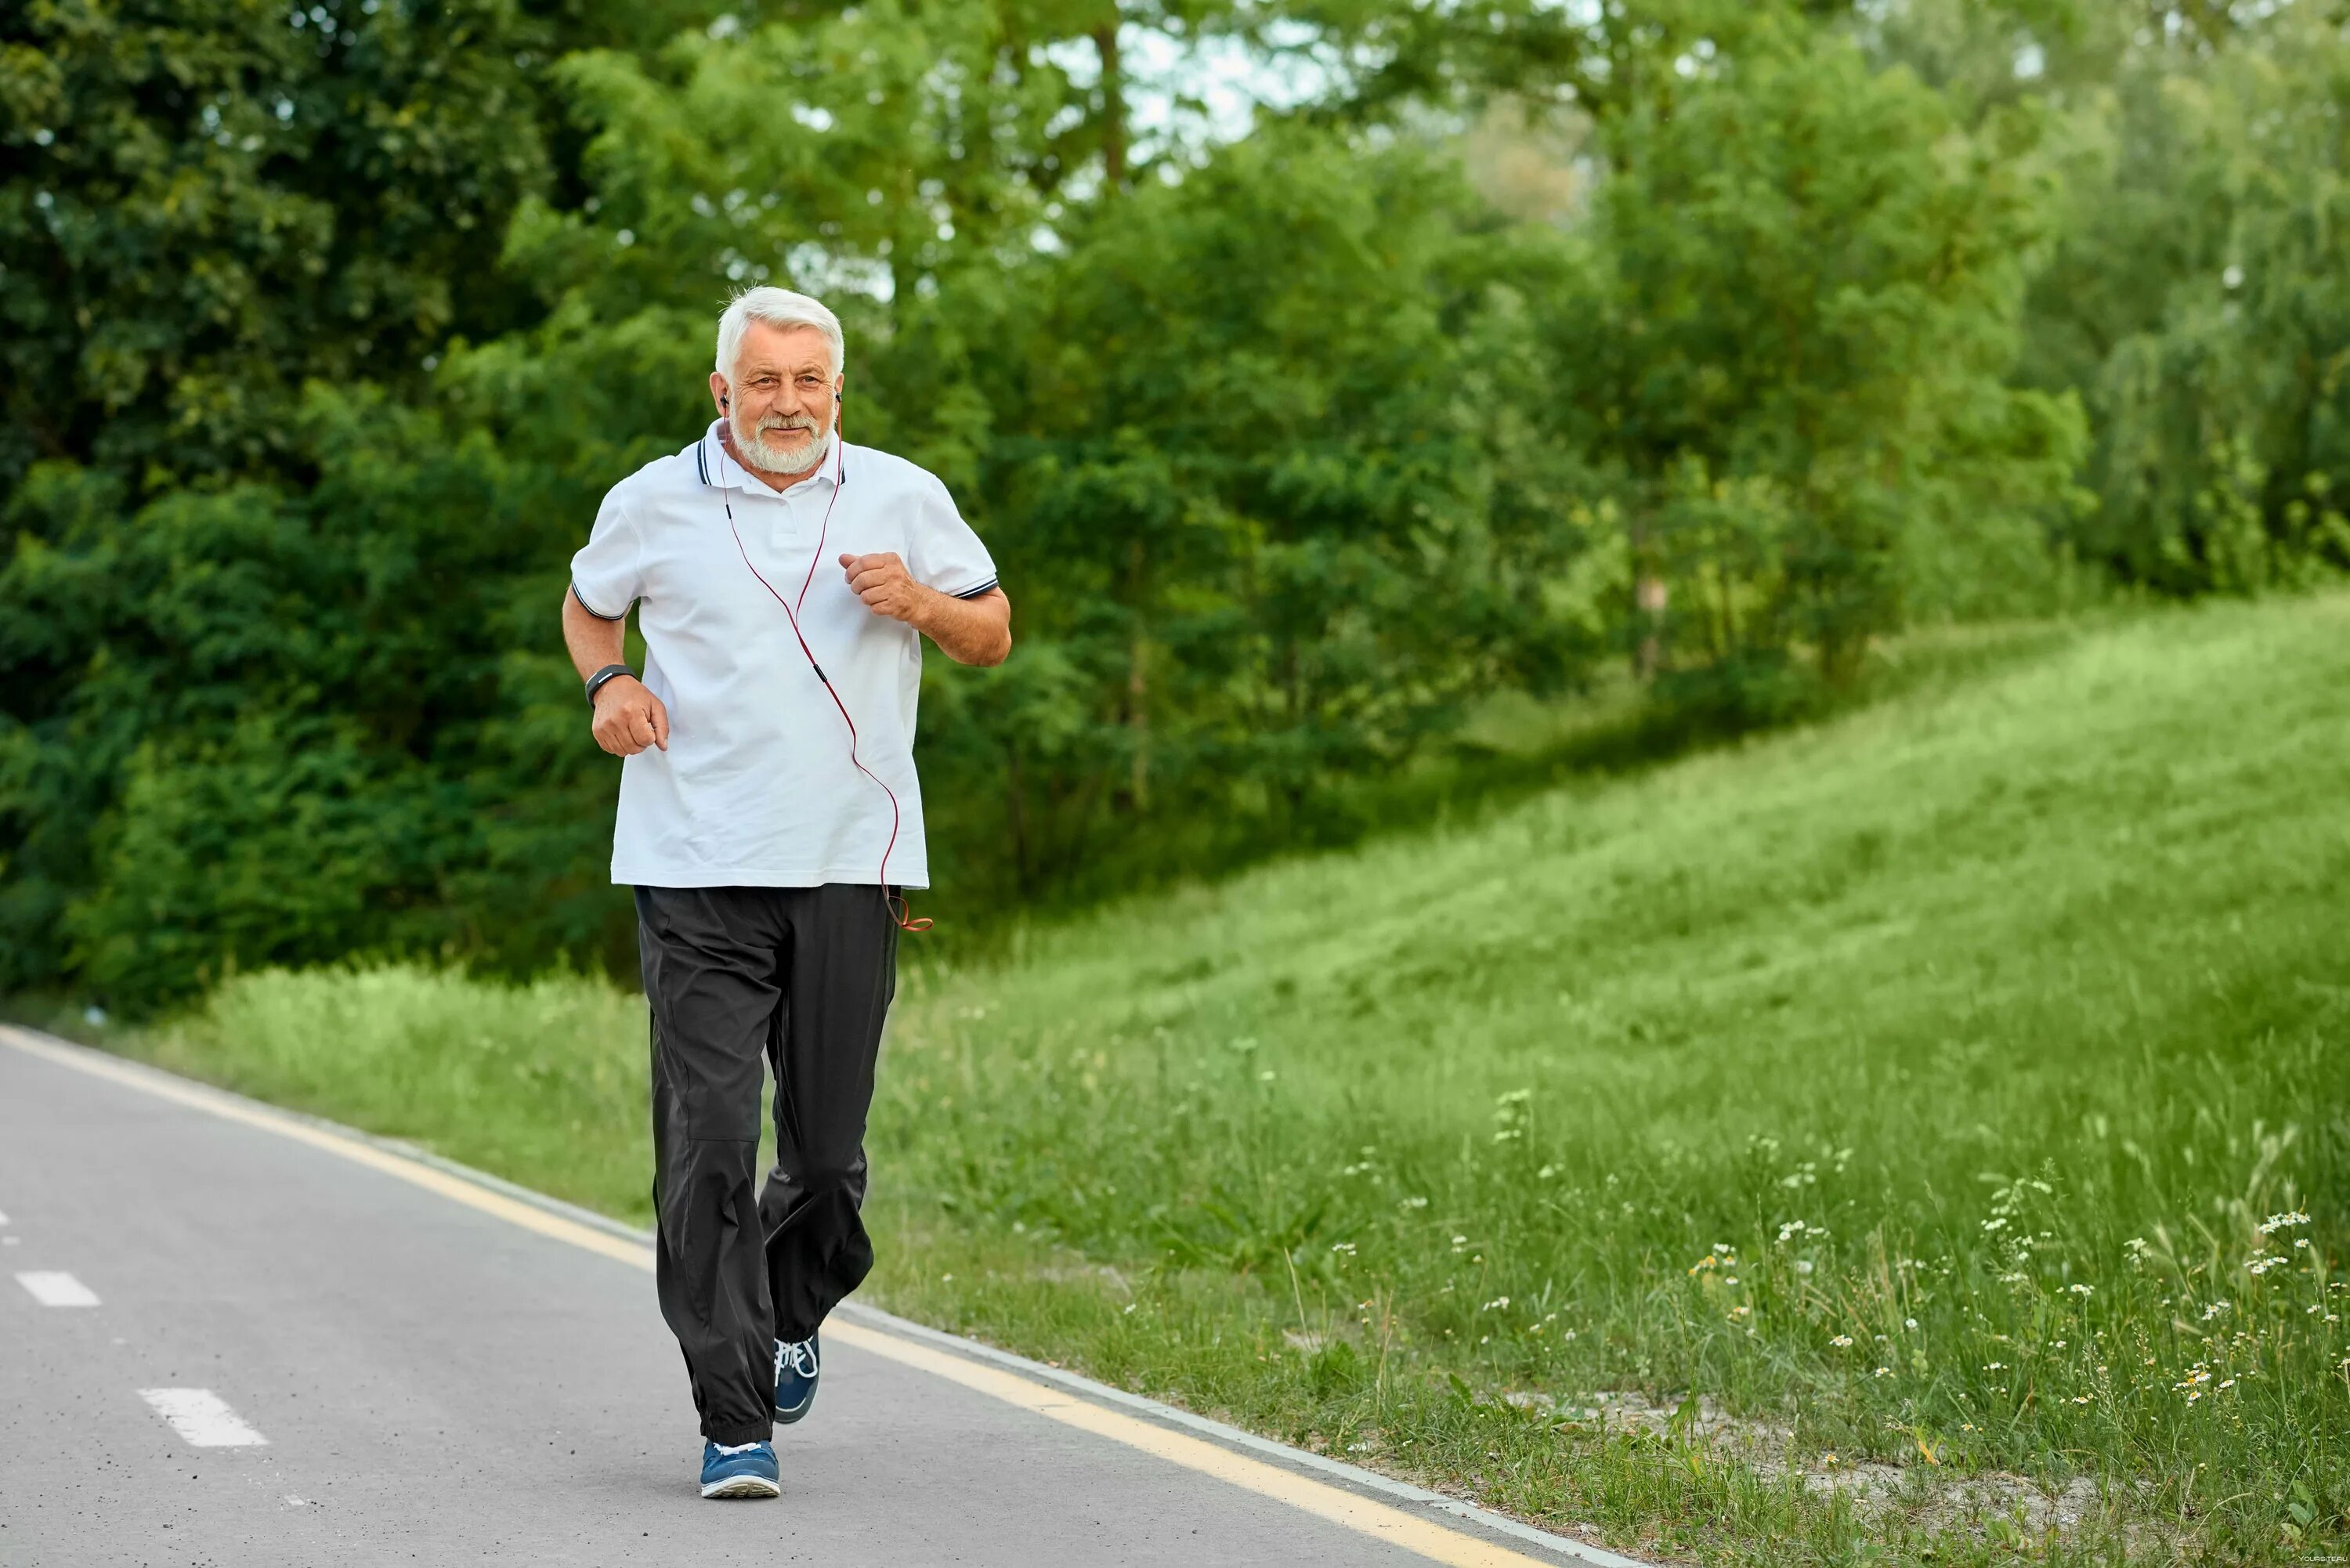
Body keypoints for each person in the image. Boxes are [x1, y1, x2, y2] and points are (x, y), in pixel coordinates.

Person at [560, 287, 1011, 1499]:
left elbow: (992, 632)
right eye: (764, 381)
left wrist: (917, 602)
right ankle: (733, 1413)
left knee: (825, 1154)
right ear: (722, 391)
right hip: (693, 863)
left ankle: (791, 1303)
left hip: (850, 864)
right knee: (708, 1141)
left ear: (838, 393)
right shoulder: (650, 499)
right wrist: (607, 683)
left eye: (810, 381)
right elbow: (590, 604)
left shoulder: (901, 495)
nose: (788, 403)